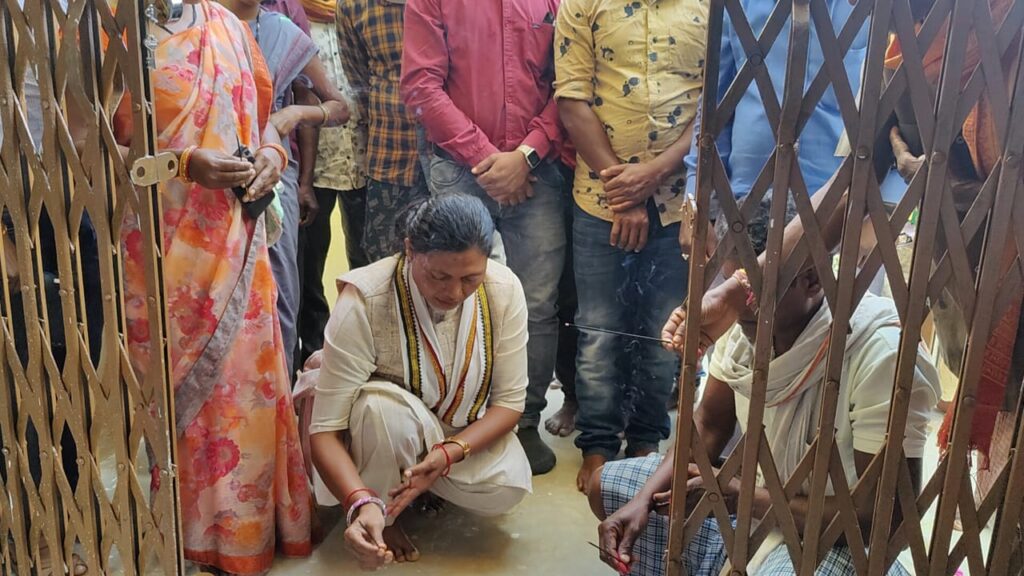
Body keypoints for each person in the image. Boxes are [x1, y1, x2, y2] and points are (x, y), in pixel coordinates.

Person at [591, 199, 942, 575]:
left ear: (812, 280)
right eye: (730, 286)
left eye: (750, 295)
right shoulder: (747, 324)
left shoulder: (881, 353)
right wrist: (644, 500)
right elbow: (709, 422)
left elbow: (884, 519)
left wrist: (743, 499)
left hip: (830, 535)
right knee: (606, 490)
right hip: (754, 501)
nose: (737, 307)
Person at [115, 1, 312, 571]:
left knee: (246, 393)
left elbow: (263, 121)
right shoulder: (107, 34)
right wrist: (180, 163)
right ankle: (186, 536)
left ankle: (249, 536)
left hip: (238, 244)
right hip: (157, 255)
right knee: (178, 398)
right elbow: (82, 150)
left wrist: (273, 155)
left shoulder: (227, 27)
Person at [307, 194, 532, 567]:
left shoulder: (503, 289)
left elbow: (509, 404)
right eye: (439, 276)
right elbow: (325, 433)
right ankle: (381, 509)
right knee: (381, 411)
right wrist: (359, 501)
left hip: (453, 435)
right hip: (379, 434)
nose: (454, 293)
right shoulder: (366, 299)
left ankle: (422, 485)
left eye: (470, 279)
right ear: (410, 250)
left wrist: (447, 454)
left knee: (504, 489)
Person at [401, 0, 568, 475]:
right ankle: (454, 418)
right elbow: (421, 85)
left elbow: (570, 82)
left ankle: (523, 420)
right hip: (459, 168)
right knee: (452, 295)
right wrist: (489, 160)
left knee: (537, 303)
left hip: (537, 171)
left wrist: (525, 156)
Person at [554, 0, 706, 491]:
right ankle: (598, 446)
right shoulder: (583, 4)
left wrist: (653, 174)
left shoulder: (711, 7)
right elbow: (572, 100)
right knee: (599, 331)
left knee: (666, 333)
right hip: (602, 200)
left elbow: (713, 106)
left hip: (678, 200)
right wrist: (625, 193)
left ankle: (645, 443)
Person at [220, 0, 351, 377]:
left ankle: (279, 391)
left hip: (276, 173)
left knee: (280, 291)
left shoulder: (282, 31)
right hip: (213, 169)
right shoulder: (199, 24)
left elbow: (338, 106)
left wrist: (291, 114)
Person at [293, 0, 369, 370]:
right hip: (315, 166)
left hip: (367, 161)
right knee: (309, 269)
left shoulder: (358, 13)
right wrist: (303, 181)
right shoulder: (295, 20)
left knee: (366, 264)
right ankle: (314, 355)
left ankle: (362, 350)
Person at [337, 0, 430, 263]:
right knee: (386, 261)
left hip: (451, 157)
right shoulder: (354, 5)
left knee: (455, 256)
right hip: (390, 153)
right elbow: (359, 80)